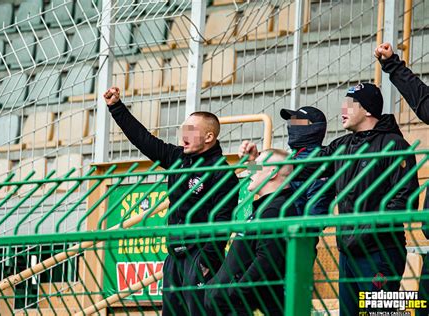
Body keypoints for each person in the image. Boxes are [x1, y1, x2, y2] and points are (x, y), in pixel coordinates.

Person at [240, 83, 420, 316]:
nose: (342, 109)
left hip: (380, 253)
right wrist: (255, 162)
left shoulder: (394, 145)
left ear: (367, 110)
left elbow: (406, 199)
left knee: (381, 313)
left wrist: (366, 231)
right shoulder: (343, 145)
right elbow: (294, 170)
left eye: (349, 104)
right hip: (348, 252)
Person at [103, 87, 239, 315]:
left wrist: (206, 262)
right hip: (174, 256)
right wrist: (116, 107)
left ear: (209, 137)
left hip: (200, 257)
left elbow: (223, 222)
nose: (183, 134)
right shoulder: (177, 157)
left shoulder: (221, 173)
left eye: (191, 130)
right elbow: (143, 139)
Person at [204, 149, 298, 315]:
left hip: (236, 306)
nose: (250, 172)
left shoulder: (275, 210)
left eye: (257, 167)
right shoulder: (267, 207)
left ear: (273, 172)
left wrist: (234, 293)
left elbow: (267, 261)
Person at [376, 42, 429, 316]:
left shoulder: (394, 146)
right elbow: (423, 101)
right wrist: (392, 64)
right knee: (417, 308)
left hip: (380, 246)